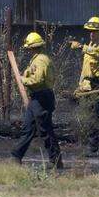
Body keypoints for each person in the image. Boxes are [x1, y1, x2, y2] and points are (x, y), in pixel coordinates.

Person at [11, 32, 63, 168]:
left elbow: (37, 79)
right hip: (37, 98)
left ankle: (56, 160)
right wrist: (27, 73)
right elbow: (33, 73)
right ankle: (16, 156)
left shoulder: (40, 60)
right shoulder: (38, 59)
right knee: (28, 128)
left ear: (31, 47)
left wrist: (23, 80)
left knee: (45, 129)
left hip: (42, 97)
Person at [69, 15, 99, 158]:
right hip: (87, 87)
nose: (91, 33)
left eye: (94, 31)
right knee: (90, 117)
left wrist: (82, 47)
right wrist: (80, 86)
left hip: (98, 87)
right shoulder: (90, 48)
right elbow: (85, 71)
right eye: (89, 31)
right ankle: (92, 145)